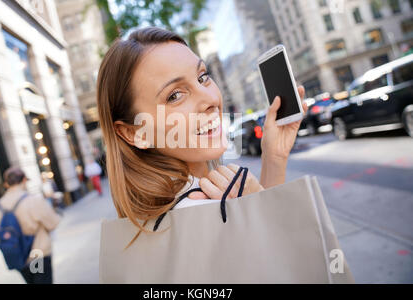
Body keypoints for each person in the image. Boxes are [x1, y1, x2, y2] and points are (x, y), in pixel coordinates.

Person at [96, 27, 307, 246]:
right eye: (175, 95)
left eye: (202, 77)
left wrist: (274, 158)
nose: (210, 99)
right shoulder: (200, 211)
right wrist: (257, 210)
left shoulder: (159, 216)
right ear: (135, 132)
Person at [0, 167, 61, 284]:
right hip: (37, 253)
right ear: (23, 180)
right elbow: (52, 223)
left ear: (7, 183)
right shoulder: (33, 200)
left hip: (17, 255)